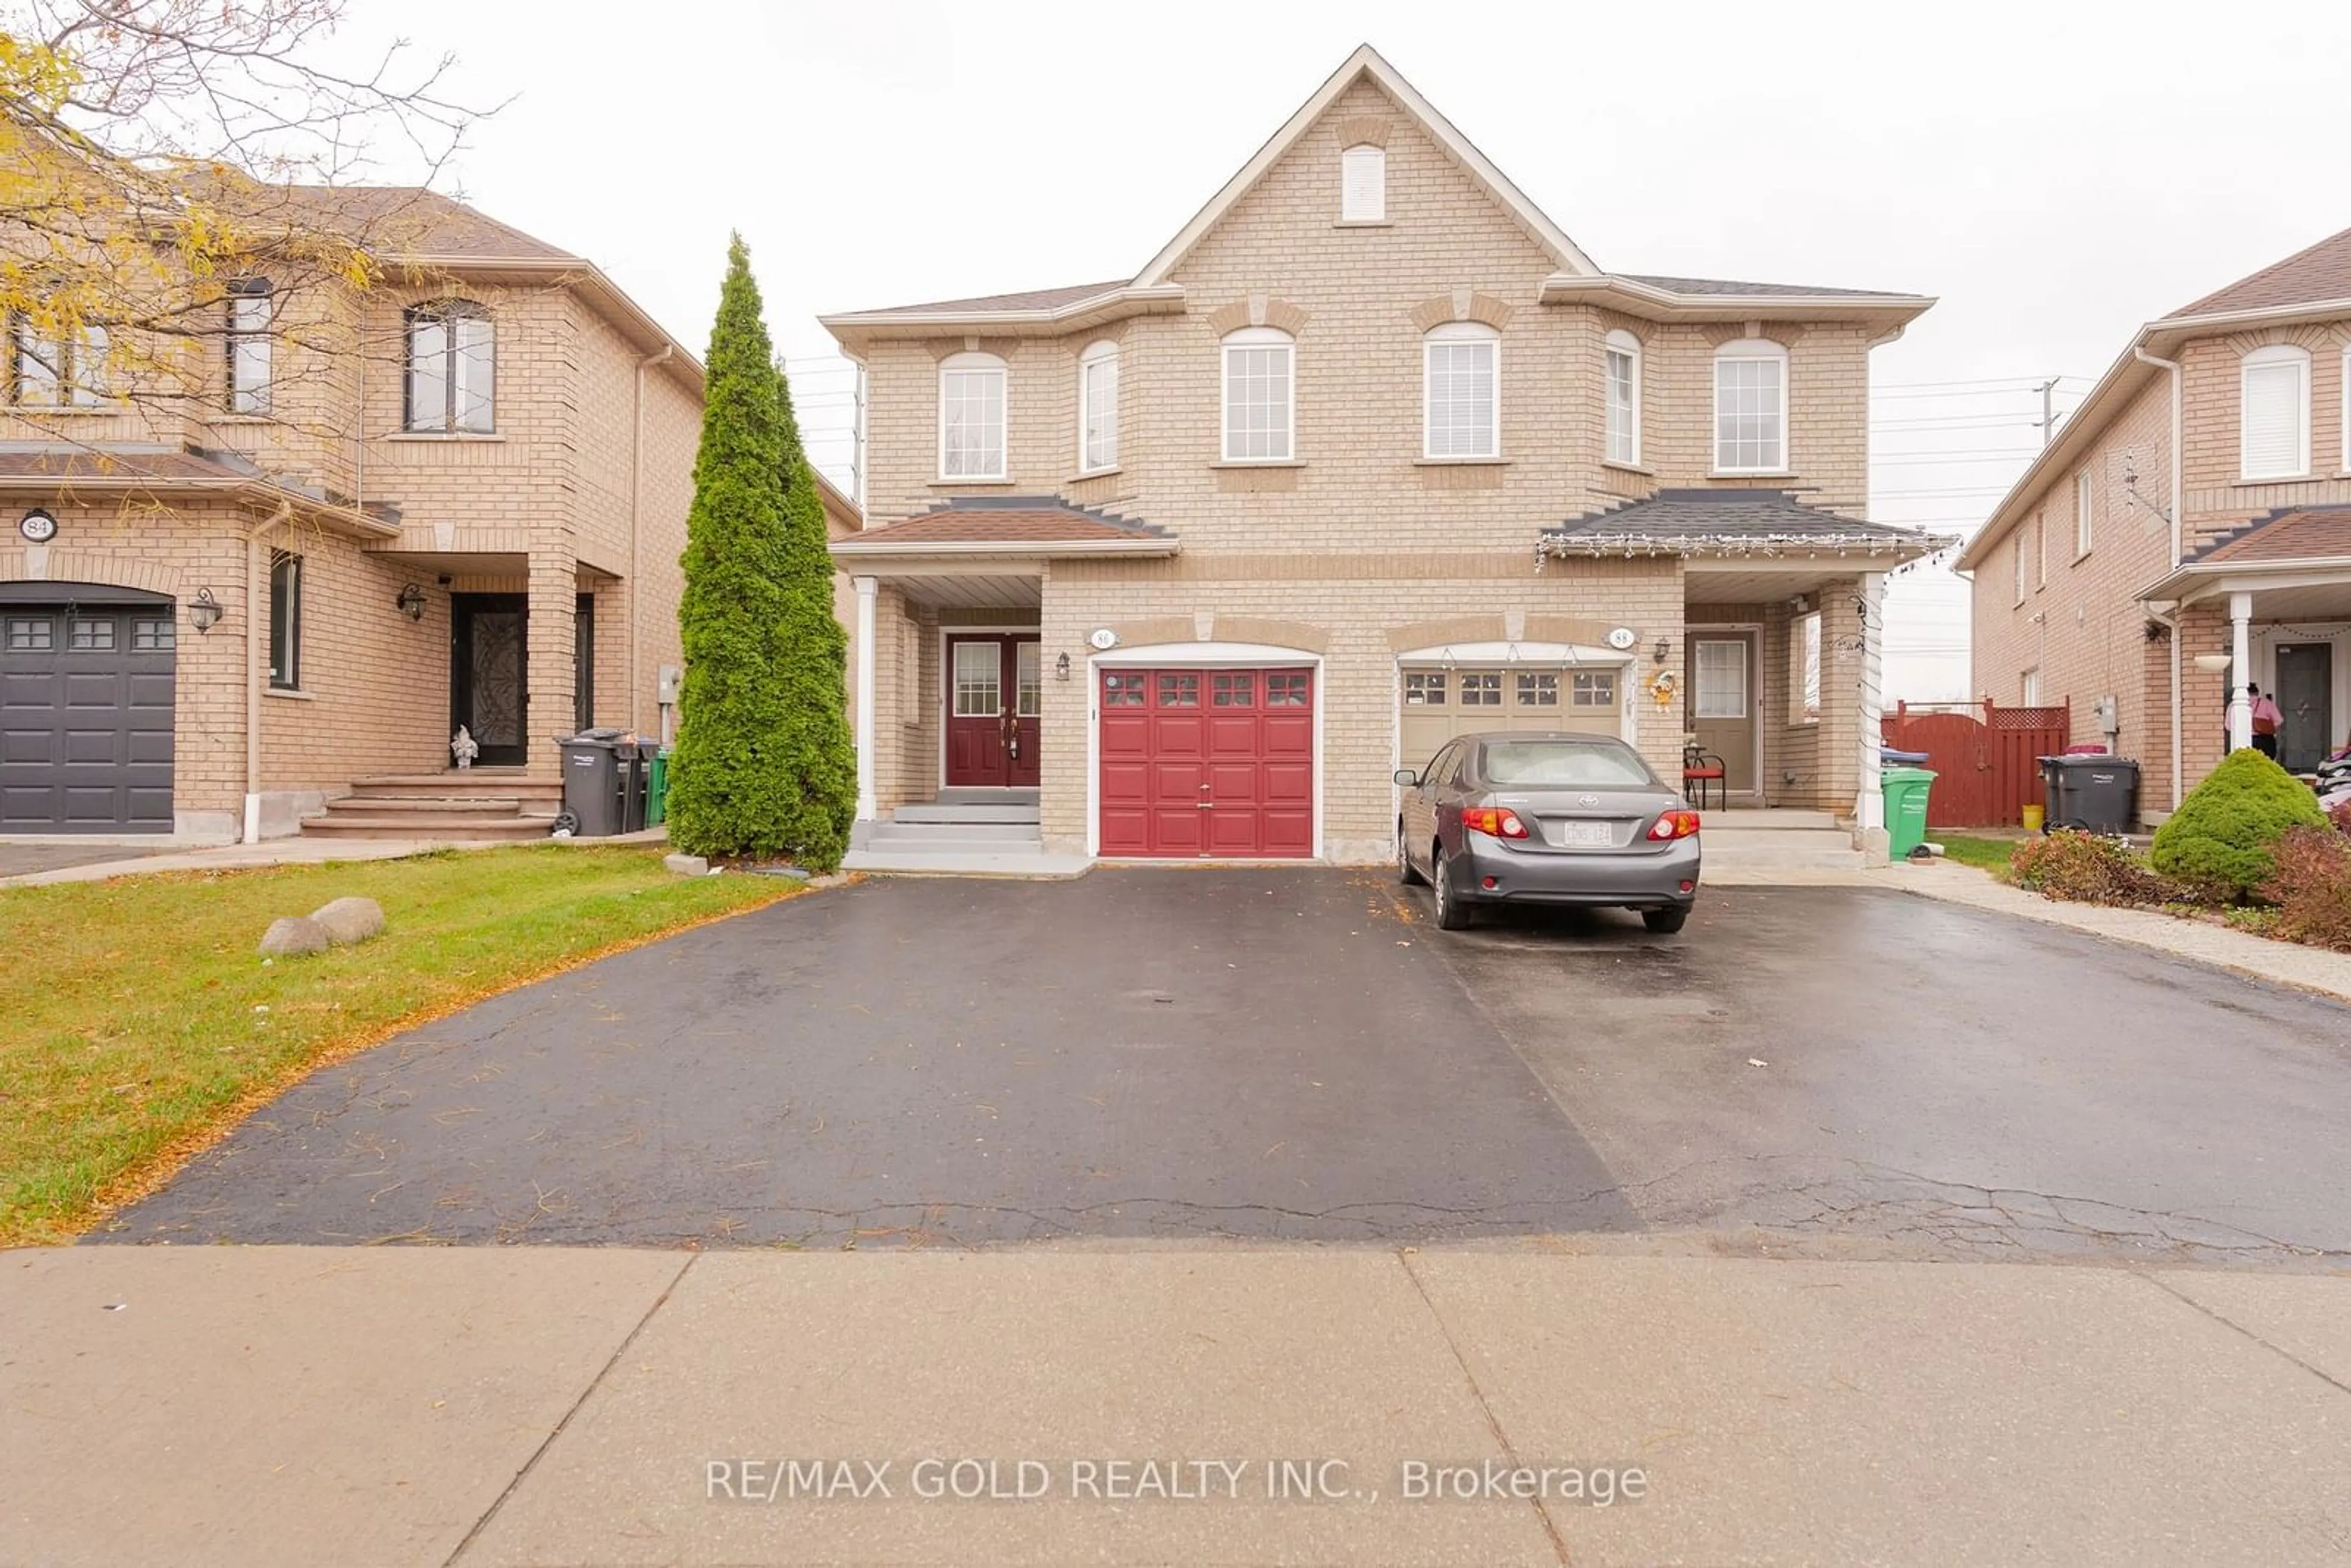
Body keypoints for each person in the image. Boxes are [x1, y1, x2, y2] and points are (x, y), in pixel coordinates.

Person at [2248, 683, 2283, 759]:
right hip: (2266, 739)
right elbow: (2279, 720)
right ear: (2257, 693)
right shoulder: (2266, 703)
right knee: (2267, 763)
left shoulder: (2235, 705)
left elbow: (2228, 726)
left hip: (2245, 738)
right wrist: (2268, 727)